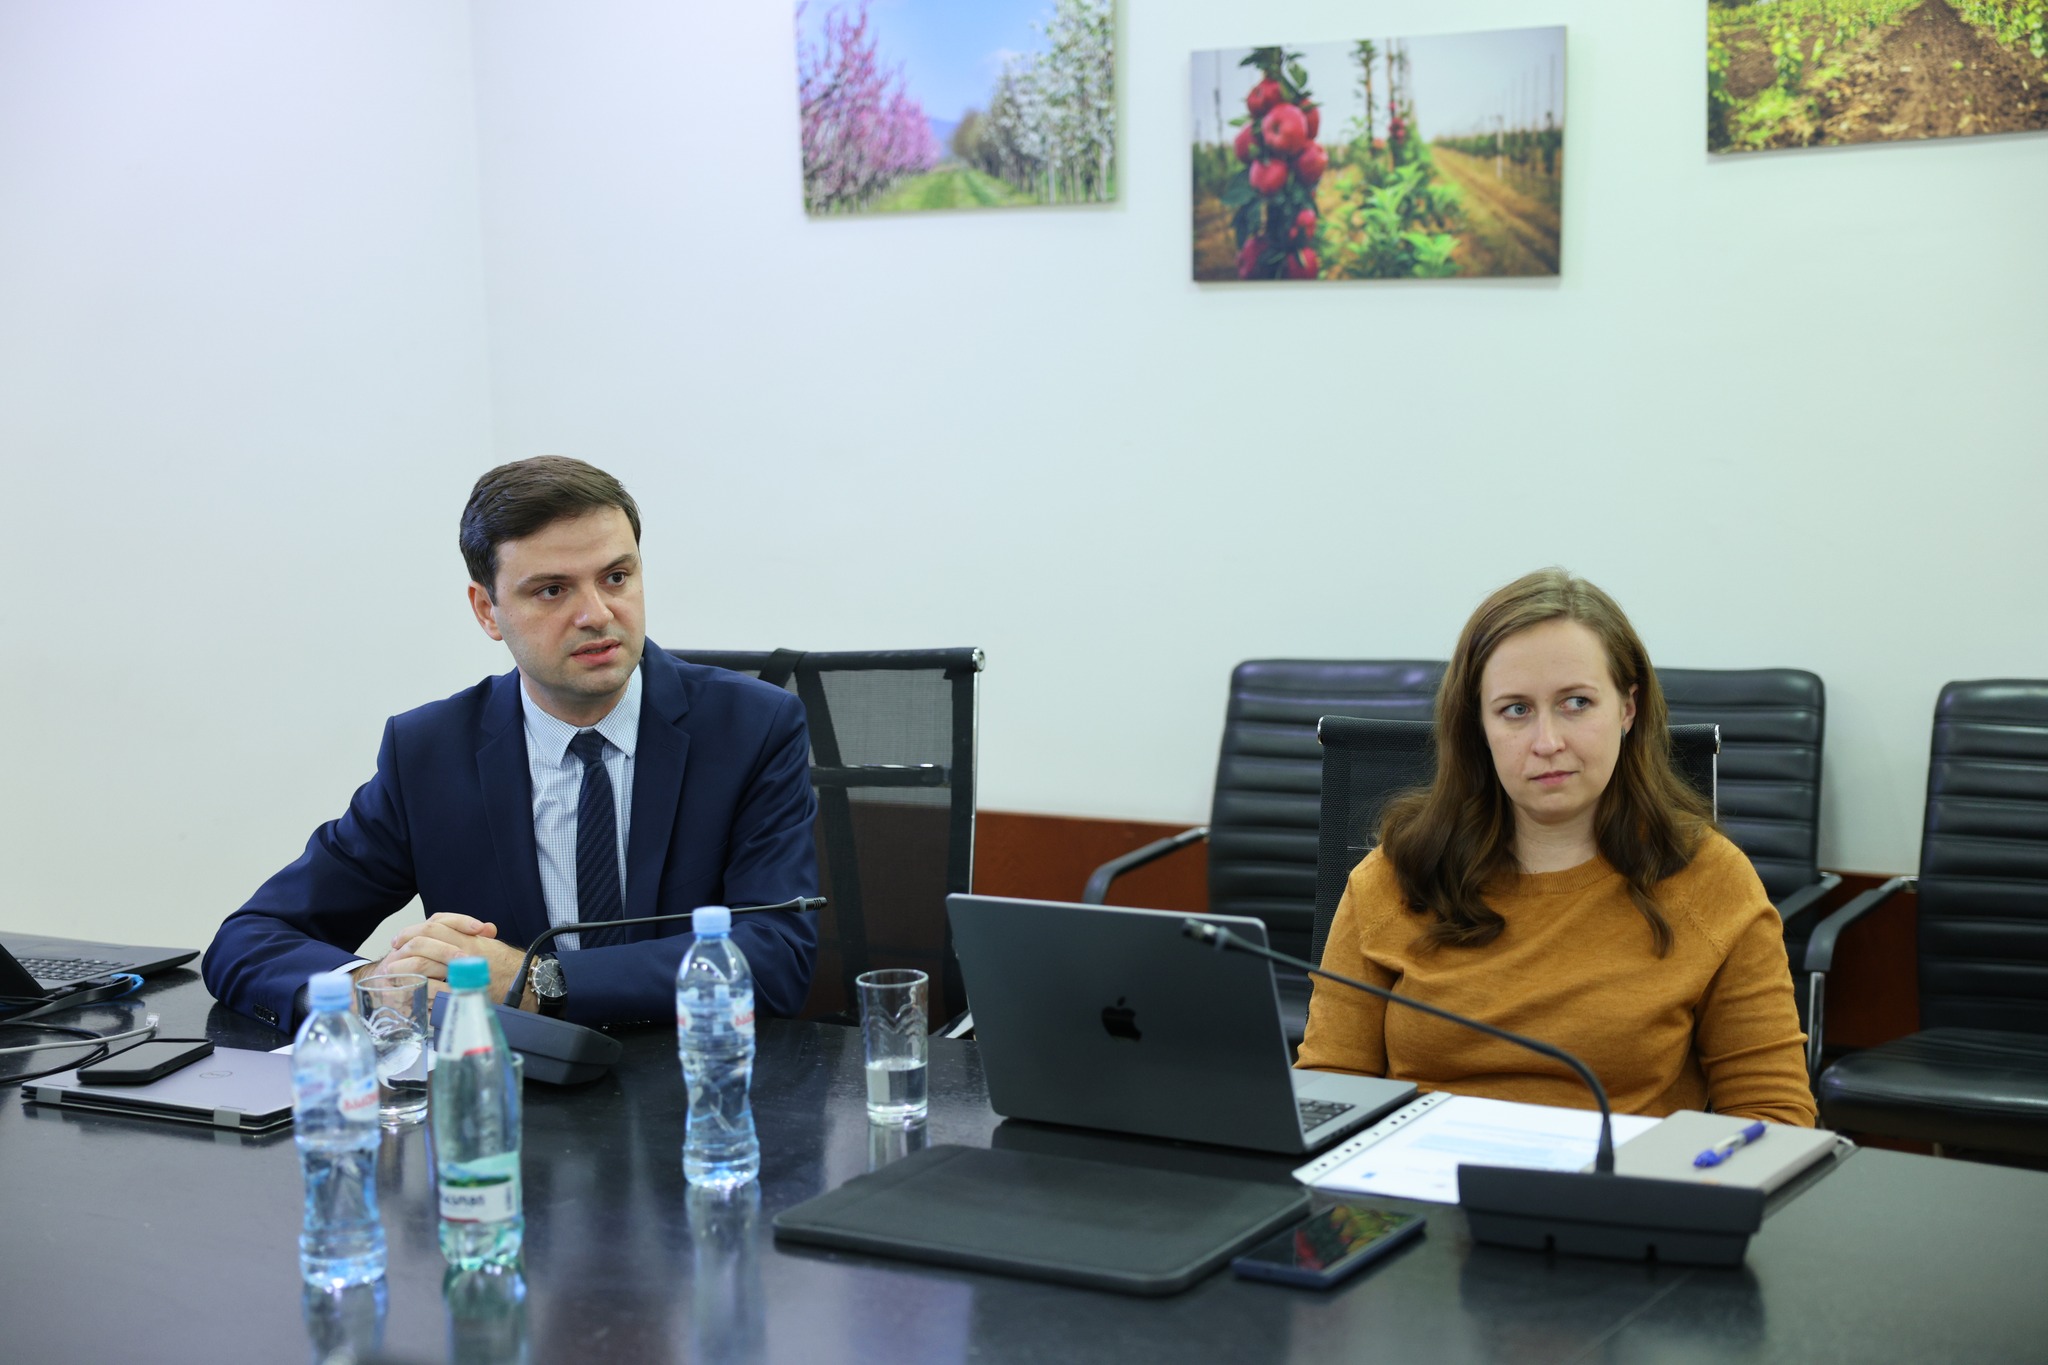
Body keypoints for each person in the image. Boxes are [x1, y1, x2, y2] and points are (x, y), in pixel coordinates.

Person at [203, 457, 819, 1030]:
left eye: (616, 577)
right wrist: (375, 985)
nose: (597, 614)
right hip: (510, 1085)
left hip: (699, 1077)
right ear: (487, 611)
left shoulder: (752, 728)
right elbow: (250, 939)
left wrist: (535, 981)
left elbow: (775, 957)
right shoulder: (429, 753)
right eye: (552, 590)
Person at [1295, 569, 1816, 1126]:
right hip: (1422, 1175)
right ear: (1478, 725)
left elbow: (1772, 1114)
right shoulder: (1396, 874)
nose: (1547, 742)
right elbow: (1328, 1094)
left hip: (1622, 1177)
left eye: (1576, 702)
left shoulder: (1709, 878)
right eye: (1515, 710)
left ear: (1627, 709)